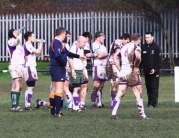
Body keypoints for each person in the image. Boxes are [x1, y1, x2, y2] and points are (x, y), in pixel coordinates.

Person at [49, 27, 86, 117]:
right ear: (62, 34)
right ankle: (58, 112)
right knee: (59, 90)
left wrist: (78, 56)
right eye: (65, 35)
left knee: (54, 89)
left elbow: (67, 53)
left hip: (55, 67)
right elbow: (58, 56)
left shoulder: (58, 43)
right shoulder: (57, 42)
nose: (65, 36)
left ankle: (52, 111)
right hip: (58, 68)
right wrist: (65, 66)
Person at [111, 33, 149, 120]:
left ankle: (113, 114)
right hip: (132, 73)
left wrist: (119, 69)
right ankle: (143, 115)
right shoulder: (136, 47)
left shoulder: (123, 47)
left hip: (123, 73)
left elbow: (115, 57)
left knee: (120, 93)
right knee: (138, 93)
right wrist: (135, 67)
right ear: (138, 40)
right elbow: (138, 58)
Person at [106, 33, 131, 107]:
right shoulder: (117, 43)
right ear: (124, 39)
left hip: (116, 65)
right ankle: (113, 103)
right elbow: (117, 55)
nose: (127, 43)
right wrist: (120, 68)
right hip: (112, 65)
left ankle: (114, 102)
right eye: (127, 41)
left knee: (117, 84)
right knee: (114, 83)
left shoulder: (122, 44)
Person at [141, 32, 162, 108]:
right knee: (148, 87)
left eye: (148, 37)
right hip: (146, 72)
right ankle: (150, 102)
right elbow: (141, 60)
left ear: (152, 37)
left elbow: (159, 61)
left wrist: (155, 69)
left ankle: (154, 103)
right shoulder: (143, 47)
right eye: (146, 37)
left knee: (154, 87)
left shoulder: (156, 47)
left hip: (155, 72)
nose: (147, 39)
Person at [23, 31, 44, 110]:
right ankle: (27, 105)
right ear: (29, 37)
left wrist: (40, 45)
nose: (35, 38)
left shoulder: (30, 45)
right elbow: (37, 52)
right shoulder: (28, 45)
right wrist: (41, 44)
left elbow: (38, 53)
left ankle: (27, 104)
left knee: (30, 87)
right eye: (33, 36)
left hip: (31, 67)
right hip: (29, 67)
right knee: (30, 87)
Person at [68, 36, 88, 112]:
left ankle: (75, 106)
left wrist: (83, 71)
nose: (85, 44)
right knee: (76, 88)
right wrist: (72, 70)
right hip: (75, 70)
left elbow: (81, 61)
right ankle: (75, 107)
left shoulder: (81, 49)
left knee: (78, 88)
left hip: (80, 70)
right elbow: (70, 59)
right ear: (79, 41)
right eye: (84, 42)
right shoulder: (74, 48)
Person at [90, 31, 109, 108]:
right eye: (103, 36)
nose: (104, 38)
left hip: (104, 67)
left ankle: (100, 103)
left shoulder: (103, 47)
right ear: (98, 37)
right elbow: (99, 56)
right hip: (98, 66)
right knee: (96, 85)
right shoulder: (95, 45)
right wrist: (109, 54)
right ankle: (93, 102)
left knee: (101, 85)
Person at [7, 28, 24, 112]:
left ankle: (14, 105)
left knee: (18, 86)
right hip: (15, 66)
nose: (16, 32)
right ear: (11, 34)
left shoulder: (18, 43)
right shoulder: (10, 41)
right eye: (14, 32)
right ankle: (15, 106)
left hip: (19, 66)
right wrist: (20, 34)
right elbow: (16, 41)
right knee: (18, 85)